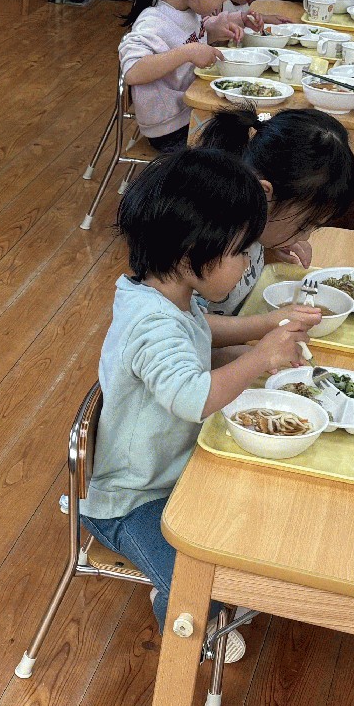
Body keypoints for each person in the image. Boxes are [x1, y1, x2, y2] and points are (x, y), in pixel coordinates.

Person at [78, 146, 313, 660]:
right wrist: (260, 356)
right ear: (191, 256)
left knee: (260, 523)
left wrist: (263, 332)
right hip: (132, 501)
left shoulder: (163, 296)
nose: (250, 262)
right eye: (241, 251)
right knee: (202, 586)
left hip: (176, 472)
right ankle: (182, 624)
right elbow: (191, 397)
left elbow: (201, 333)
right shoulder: (152, 323)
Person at [196, 106, 354, 328]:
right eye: (303, 225)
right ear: (264, 193)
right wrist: (266, 324)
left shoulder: (250, 220)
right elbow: (184, 324)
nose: (306, 237)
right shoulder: (203, 235)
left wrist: (270, 250)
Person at [117, 0, 245, 152]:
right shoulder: (154, 20)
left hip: (190, 112)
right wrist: (188, 53)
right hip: (171, 129)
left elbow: (186, 37)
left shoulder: (188, 9)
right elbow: (133, 71)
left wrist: (213, 31)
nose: (225, 0)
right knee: (244, 148)